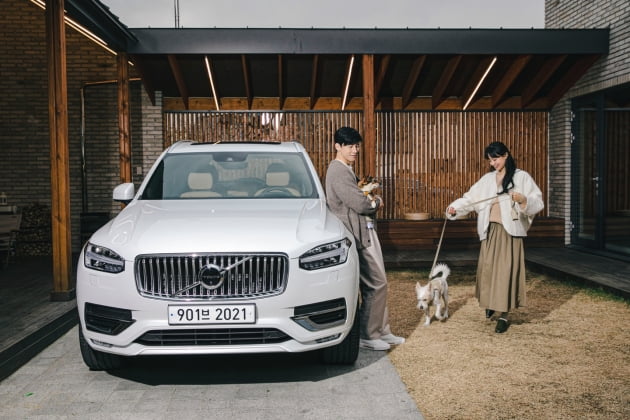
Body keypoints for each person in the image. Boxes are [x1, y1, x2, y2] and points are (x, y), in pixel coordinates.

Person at [446, 141, 544, 333]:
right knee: (488, 272)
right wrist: (454, 208)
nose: (493, 163)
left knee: (505, 274)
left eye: (496, 159)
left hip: (509, 234)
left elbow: (537, 201)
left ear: (506, 155)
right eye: (491, 160)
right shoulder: (487, 179)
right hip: (489, 232)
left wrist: (523, 200)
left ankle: (504, 315)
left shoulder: (521, 177)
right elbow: (470, 199)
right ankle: (491, 303)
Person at [325, 126, 405, 350]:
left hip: (365, 230)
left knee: (380, 283)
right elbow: (360, 203)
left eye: (356, 145)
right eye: (349, 145)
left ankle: (382, 331)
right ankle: (368, 335)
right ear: (337, 146)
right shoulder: (337, 170)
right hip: (358, 234)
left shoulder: (346, 169)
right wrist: (376, 201)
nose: (354, 149)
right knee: (375, 283)